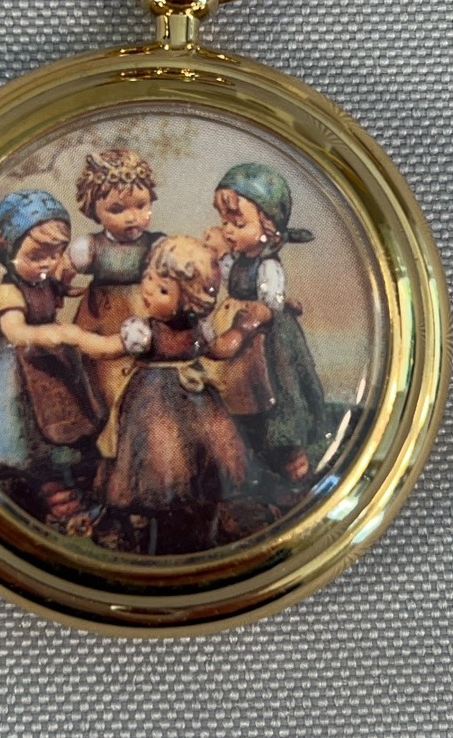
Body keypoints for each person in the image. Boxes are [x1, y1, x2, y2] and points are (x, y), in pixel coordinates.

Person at [95, 235, 271, 554]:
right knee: (161, 454)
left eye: (163, 289)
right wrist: (74, 339)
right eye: (148, 277)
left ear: (191, 301)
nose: (148, 289)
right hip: (152, 402)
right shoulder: (142, 332)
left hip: (197, 398)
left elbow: (222, 348)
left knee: (217, 444)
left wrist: (245, 327)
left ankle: (209, 514)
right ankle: (148, 518)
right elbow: (108, 348)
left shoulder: (199, 330)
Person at [0, 189, 121, 532]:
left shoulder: (45, 280)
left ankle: (72, 488)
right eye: (36, 256)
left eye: (55, 254)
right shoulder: (8, 291)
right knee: (25, 430)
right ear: (10, 250)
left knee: (66, 425)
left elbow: (61, 291)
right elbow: (16, 332)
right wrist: (59, 334)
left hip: (51, 363)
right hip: (18, 369)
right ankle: (46, 493)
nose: (47, 264)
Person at [204, 163, 329, 504]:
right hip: (236, 329)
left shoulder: (268, 266)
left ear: (269, 229)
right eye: (225, 222)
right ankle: (244, 460)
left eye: (238, 224)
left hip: (266, 341)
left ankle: (292, 462)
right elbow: (222, 284)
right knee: (235, 394)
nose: (228, 231)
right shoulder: (235, 260)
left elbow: (267, 305)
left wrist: (248, 324)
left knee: (276, 395)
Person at [68, 149, 164, 447]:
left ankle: (143, 437)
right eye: (117, 209)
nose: (132, 217)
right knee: (104, 378)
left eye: (141, 205)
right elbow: (62, 274)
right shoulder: (89, 248)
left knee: (144, 379)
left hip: (144, 311)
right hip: (103, 319)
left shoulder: (156, 245)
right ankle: (109, 440)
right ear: (94, 209)